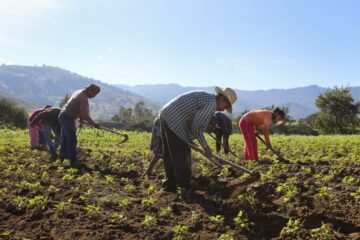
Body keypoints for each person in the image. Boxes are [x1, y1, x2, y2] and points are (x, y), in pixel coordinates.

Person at [159, 87, 237, 192]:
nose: (223, 110)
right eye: (225, 106)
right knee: (182, 153)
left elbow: (191, 121)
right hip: (174, 118)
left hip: (166, 113)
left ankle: (170, 184)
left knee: (170, 153)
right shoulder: (210, 104)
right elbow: (196, 128)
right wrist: (205, 147)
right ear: (222, 99)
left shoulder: (207, 98)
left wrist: (191, 141)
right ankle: (185, 186)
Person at [58, 84, 101, 167]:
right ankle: (73, 161)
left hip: (63, 116)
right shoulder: (83, 99)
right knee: (72, 139)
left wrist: (81, 118)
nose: (94, 96)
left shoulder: (79, 92)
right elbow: (86, 116)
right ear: (90, 91)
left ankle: (62, 158)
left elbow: (78, 109)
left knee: (66, 139)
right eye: (95, 94)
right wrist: (94, 124)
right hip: (67, 117)